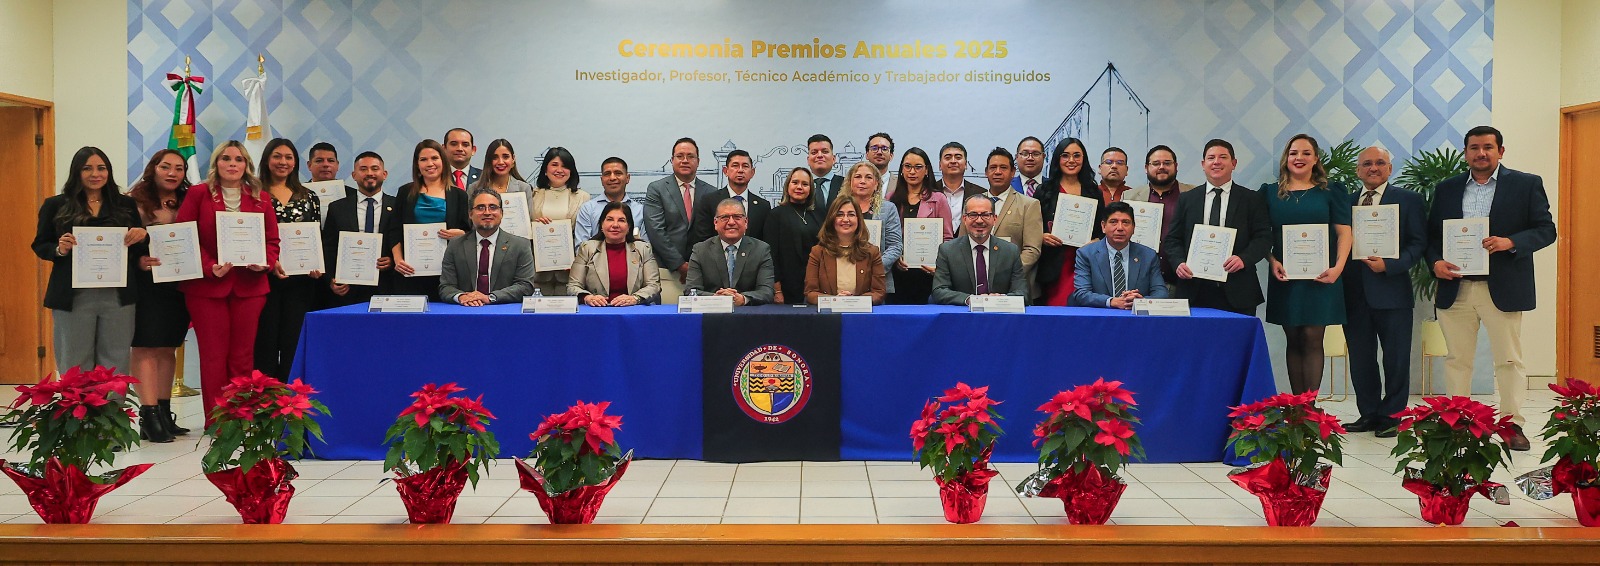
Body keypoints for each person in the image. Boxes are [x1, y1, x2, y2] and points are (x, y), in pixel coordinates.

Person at [1427, 125, 1556, 451]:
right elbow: (1431, 237)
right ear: (1466, 153)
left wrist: (1511, 242)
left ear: (1501, 151)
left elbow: (1546, 230)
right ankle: (1458, 423)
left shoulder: (1525, 184)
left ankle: (1512, 425)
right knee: (1457, 359)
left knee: (1509, 360)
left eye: (1487, 147)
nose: (1480, 153)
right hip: (1456, 287)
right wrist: (1435, 262)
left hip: (1503, 287)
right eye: (1474, 148)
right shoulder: (1447, 188)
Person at [33, 147, 149, 427]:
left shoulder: (125, 205)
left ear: (109, 171)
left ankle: (111, 428)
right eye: (88, 168)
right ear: (77, 171)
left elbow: (136, 251)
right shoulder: (56, 205)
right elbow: (41, 244)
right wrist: (59, 249)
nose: (95, 174)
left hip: (118, 296)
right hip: (73, 297)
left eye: (101, 168)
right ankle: (80, 428)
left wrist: (142, 235)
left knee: (115, 362)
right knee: (75, 362)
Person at [175, 140, 280, 423]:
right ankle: (217, 421)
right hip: (207, 288)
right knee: (213, 356)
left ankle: (240, 418)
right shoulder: (198, 194)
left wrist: (265, 262)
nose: (232, 164)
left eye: (238, 159)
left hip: (250, 287)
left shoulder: (261, 197)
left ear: (247, 165)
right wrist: (209, 266)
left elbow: (272, 241)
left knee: (243, 357)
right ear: (216, 163)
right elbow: (185, 235)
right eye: (226, 158)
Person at [1342, 146, 1426, 438]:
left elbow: (1418, 243)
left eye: (1380, 163)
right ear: (1358, 170)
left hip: (1392, 291)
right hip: (1353, 294)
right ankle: (1368, 413)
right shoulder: (1346, 202)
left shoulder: (1409, 200)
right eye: (1367, 163)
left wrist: (1391, 265)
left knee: (1396, 358)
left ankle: (1392, 415)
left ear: (1390, 168)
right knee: (1361, 359)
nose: (1373, 168)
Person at [1262, 134, 1353, 394]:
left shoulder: (1331, 191)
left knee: (1313, 338)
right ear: (1286, 158)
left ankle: (1309, 406)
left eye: (1305, 153)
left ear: (1315, 159)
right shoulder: (1269, 193)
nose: (1299, 158)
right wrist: (1271, 260)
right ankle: (1296, 408)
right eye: (1293, 153)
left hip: (1322, 277)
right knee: (1293, 338)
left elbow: (1344, 233)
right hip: (1286, 277)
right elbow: (1261, 235)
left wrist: (1338, 268)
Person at [1164, 139, 1273, 315]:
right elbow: (1172, 239)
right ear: (1203, 164)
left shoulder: (1252, 199)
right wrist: (1179, 262)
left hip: (1238, 289)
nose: (1216, 162)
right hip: (1194, 289)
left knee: (1239, 334)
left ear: (1234, 163)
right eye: (1211, 158)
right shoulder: (1187, 199)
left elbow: (1264, 238)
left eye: (1223, 157)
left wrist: (1243, 259)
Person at [126, 148, 192, 440]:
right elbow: (121, 243)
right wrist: (138, 260)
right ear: (153, 168)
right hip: (147, 284)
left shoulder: (189, 199)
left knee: (169, 347)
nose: (172, 173)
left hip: (179, 283)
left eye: (179, 168)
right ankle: (149, 415)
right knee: (146, 347)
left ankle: (165, 412)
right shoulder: (133, 201)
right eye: (166, 166)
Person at [254, 138, 323, 379]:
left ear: (295, 163)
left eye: (288, 157)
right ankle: (266, 396)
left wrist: (317, 264)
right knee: (265, 341)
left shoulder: (309, 196)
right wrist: (269, 260)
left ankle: (291, 397)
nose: (283, 162)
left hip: (300, 282)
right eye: (277, 156)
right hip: (263, 279)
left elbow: (316, 235)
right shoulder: (254, 194)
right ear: (267, 160)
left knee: (294, 341)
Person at [390, 139, 470, 301]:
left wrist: (460, 234)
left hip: (448, 273)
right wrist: (398, 260)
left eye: (434, 158)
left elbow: (469, 232)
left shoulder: (459, 195)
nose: (430, 163)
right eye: (423, 159)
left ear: (443, 161)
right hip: (410, 271)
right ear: (417, 164)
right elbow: (394, 229)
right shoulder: (405, 192)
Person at [643, 137, 717, 303]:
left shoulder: (712, 192)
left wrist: (696, 265)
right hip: (667, 271)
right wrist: (680, 265)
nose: (685, 160)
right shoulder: (657, 189)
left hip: (703, 273)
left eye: (690, 156)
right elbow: (656, 231)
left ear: (698, 161)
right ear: (672, 160)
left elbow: (713, 233)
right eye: (680, 156)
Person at [322, 151, 398, 307]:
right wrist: (331, 279)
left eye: (375, 168)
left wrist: (393, 260)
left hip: (387, 286)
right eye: (363, 169)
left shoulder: (398, 206)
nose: (369, 173)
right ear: (354, 175)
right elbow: (328, 248)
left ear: (384, 174)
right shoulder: (337, 208)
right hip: (348, 289)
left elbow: (402, 241)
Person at [439, 188, 535, 306]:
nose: (487, 212)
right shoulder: (455, 245)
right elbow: (446, 287)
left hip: (504, 312)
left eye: (493, 207)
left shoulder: (520, 245)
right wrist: (461, 297)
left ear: (501, 213)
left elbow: (525, 286)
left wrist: (490, 298)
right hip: (466, 310)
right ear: (470, 214)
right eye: (480, 207)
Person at [1035, 138, 1100, 306]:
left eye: (1077, 155)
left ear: (1084, 159)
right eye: (1065, 155)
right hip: (1053, 263)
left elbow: (1102, 228)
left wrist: (1096, 241)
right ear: (1058, 159)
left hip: (1084, 262)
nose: (1071, 160)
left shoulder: (1094, 191)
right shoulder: (1044, 190)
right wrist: (1041, 237)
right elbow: (1031, 227)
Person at [885, 148, 954, 304]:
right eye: (907, 166)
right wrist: (895, 257)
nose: (912, 171)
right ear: (901, 169)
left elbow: (947, 238)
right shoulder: (891, 198)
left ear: (926, 170)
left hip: (927, 273)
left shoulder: (938, 199)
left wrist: (939, 266)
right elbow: (886, 237)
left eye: (918, 167)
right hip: (897, 272)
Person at [931, 195, 1028, 305]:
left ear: (994, 219)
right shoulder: (948, 250)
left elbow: (1022, 293)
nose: (979, 220)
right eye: (973, 215)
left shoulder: (1010, 251)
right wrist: (971, 300)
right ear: (964, 219)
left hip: (999, 312)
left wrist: (1000, 299)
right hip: (963, 312)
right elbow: (939, 291)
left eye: (985, 215)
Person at [1071, 201, 1168, 308]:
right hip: (1101, 314)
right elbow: (1081, 294)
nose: (1120, 228)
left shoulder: (1148, 256)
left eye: (1126, 222)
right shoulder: (1086, 254)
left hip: (1134, 315)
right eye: (1113, 222)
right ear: (1103, 226)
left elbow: (1161, 293)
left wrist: (1141, 302)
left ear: (1133, 228)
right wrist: (1112, 301)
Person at [1125, 145, 1197, 286]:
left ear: (1176, 166)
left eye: (1167, 163)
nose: (1162, 167)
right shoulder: (1129, 197)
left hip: (1183, 279)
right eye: (1156, 163)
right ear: (1146, 167)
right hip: (1140, 280)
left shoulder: (1194, 194)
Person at [685, 199, 776, 305]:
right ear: (715, 223)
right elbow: (691, 291)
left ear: (746, 222)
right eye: (725, 218)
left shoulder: (761, 249)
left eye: (737, 217)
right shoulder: (700, 250)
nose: (731, 222)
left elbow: (767, 292)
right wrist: (717, 298)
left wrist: (743, 299)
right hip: (712, 311)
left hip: (748, 312)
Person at [569, 201, 661, 306]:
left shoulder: (643, 249)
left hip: (632, 309)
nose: (615, 225)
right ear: (601, 225)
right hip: (597, 310)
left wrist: (635, 298)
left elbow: (654, 286)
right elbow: (573, 286)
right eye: (610, 219)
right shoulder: (587, 249)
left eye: (621, 220)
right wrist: (587, 297)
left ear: (629, 227)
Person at [976, 148, 1043, 290]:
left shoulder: (1029, 205)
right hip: (976, 284)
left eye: (1003, 168)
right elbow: (962, 245)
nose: (998, 172)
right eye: (993, 167)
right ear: (986, 172)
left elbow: (1032, 250)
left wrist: (1007, 275)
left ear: (1013, 172)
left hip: (1014, 286)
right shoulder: (972, 203)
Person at [529, 147, 591, 295]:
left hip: (570, 271)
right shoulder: (533, 195)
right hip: (538, 271)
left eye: (565, 166)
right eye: (554, 165)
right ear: (545, 169)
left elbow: (584, 234)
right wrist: (534, 226)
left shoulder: (583, 197)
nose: (559, 170)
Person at [805, 197, 886, 304]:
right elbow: (810, 292)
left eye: (851, 214)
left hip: (861, 312)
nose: (846, 219)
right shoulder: (818, 252)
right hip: (829, 312)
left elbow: (878, 292)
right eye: (840, 214)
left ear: (858, 219)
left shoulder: (872, 252)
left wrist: (853, 301)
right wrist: (835, 301)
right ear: (831, 219)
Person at [764, 167, 824, 304]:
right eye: (795, 182)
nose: (799, 187)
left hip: (816, 286)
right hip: (786, 286)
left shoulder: (819, 215)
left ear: (811, 189)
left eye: (805, 184)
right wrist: (777, 290)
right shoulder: (775, 215)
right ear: (787, 185)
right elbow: (771, 256)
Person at [841, 161, 902, 294]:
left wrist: (874, 266)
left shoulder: (888, 208)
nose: (862, 181)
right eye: (858, 177)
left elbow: (895, 246)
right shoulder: (839, 207)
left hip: (877, 280)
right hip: (843, 278)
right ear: (850, 182)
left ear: (876, 184)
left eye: (868, 177)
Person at [690, 150, 768, 246]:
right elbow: (702, 239)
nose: (740, 170)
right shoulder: (709, 201)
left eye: (745, 166)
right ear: (725, 171)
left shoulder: (763, 206)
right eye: (735, 166)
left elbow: (764, 243)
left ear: (752, 172)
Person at [576, 157, 649, 242]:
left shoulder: (640, 211)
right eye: (607, 174)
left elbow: (645, 246)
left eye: (618, 173)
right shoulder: (588, 209)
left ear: (627, 178)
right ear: (602, 180)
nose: (612, 178)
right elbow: (581, 246)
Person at [470, 138, 534, 207]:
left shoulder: (524, 189)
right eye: (495, 157)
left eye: (505, 157)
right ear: (489, 161)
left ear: (513, 159)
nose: (500, 162)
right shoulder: (474, 188)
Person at [937, 142, 984, 222]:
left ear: (966, 164)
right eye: (948, 158)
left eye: (958, 157)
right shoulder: (928, 191)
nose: (953, 161)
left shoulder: (980, 193)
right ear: (940, 165)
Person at [806, 134, 845, 204]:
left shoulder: (846, 184)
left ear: (833, 159)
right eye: (814, 152)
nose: (819, 155)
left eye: (825, 152)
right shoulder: (800, 186)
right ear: (808, 160)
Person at [864, 132, 897, 200]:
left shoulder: (900, 184)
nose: (879, 152)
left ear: (891, 156)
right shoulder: (855, 183)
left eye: (884, 149)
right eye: (874, 148)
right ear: (867, 155)